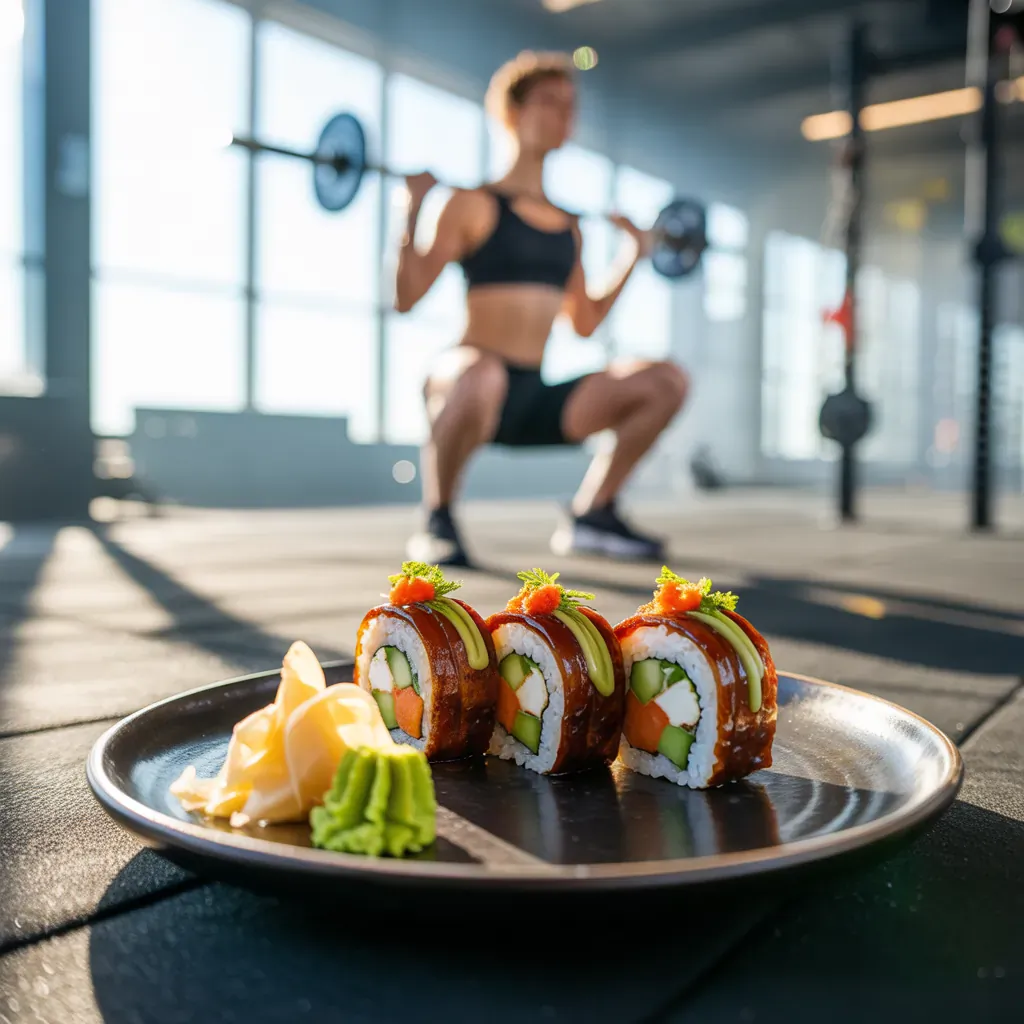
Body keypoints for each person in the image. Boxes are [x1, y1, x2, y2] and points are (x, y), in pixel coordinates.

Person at [394, 50, 689, 567]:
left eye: (570, 106)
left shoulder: (567, 225)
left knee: (666, 379)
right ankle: (436, 518)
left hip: (533, 395)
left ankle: (593, 514)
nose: (564, 116)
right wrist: (411, 210)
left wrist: (632, 257)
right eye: (550, 103)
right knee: (482, 373)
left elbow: (584, 322)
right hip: (469, 385)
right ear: (512, 112)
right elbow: (406, 297)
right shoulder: (472, 203)